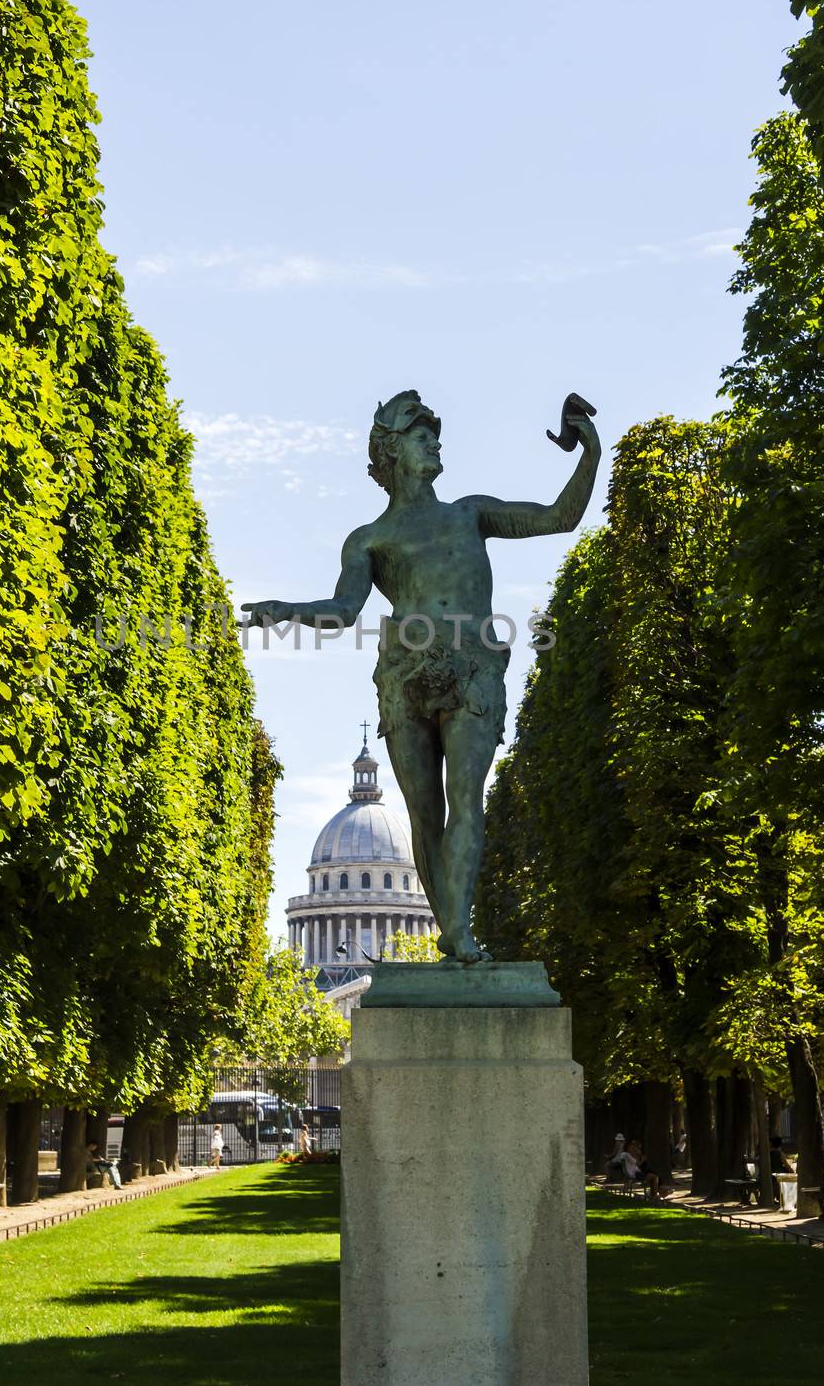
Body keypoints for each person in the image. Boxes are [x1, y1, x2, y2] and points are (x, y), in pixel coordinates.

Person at [243, 389, 600, 962]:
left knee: (466, 799)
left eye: (433, 434)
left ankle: (457, 933)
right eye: (420, 434)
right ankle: (454, 930)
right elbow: (343, 611)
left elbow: (560, 518)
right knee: (423, 814)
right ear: (390, 454)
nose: (435, 442)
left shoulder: (471, 513)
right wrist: (285, 610)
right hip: (405, 672)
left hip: (471, 665)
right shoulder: (370, 540)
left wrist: (588, 451)